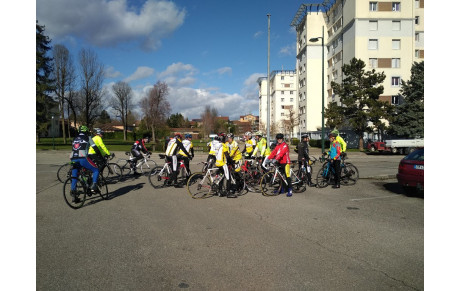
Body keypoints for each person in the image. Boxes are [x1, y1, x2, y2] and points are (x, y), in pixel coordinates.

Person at [70, 125, 100, 202]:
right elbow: (95, 148)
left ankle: (74, 194)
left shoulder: (75, 138)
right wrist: (100, 156)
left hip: (73, 157)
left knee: (74, 176)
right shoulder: (88, 137)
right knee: (96, 170)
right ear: (86, 131)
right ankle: (94, 185)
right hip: (83, 157)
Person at [213, 133, 235, 197]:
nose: (227, 139)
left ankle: (220, 191)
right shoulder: (224, 146)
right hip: (223, 164)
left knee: (221, 177)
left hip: (217, 163)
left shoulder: (217, 145)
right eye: (226, 138)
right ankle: (228, 193)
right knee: (228, 177)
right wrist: (231, 162)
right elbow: (227, 156)